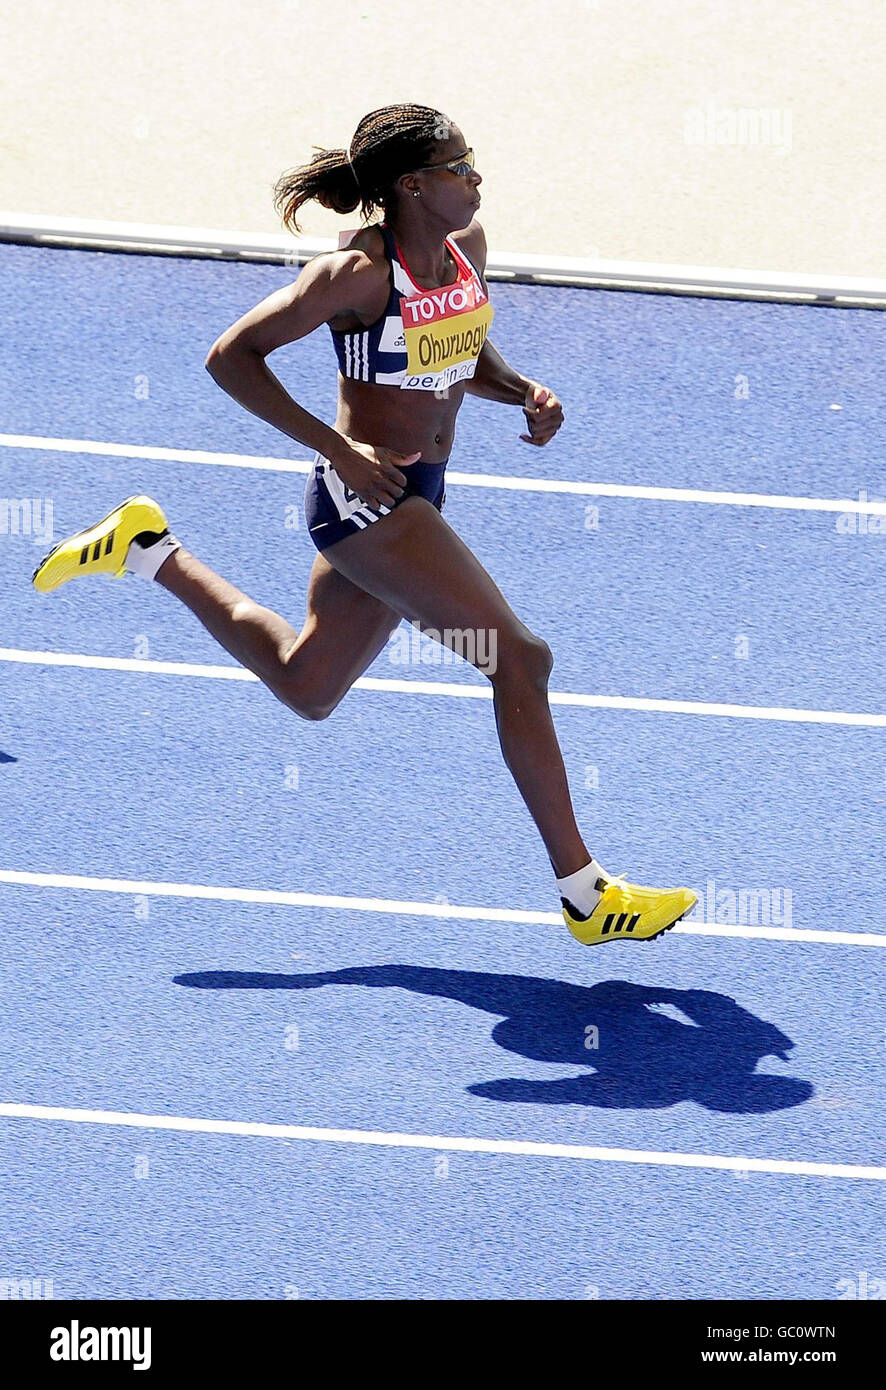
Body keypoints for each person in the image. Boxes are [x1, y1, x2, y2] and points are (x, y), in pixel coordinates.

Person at [32, 102, 695, 945]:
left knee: (308, 685)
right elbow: (231, 357)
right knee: (519, 661)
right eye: (461, 166)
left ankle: (146, 547)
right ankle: (587, 894)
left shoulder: (466, 253)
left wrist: (521, 389)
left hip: (421, 491)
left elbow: (464, 352)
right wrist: (335, 448)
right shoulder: (354, 275)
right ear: (413, 185)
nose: (477, 176)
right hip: (369, 503)